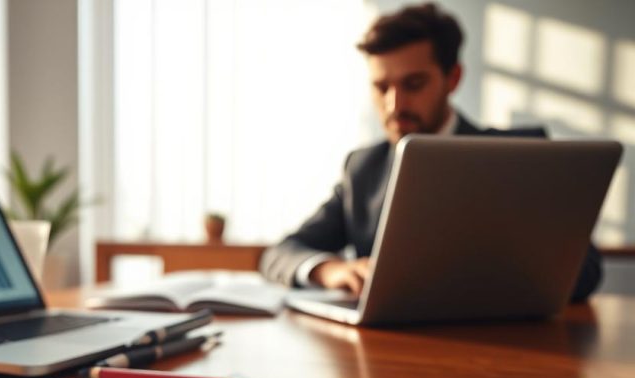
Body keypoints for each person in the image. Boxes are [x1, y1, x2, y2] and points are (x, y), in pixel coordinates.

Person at [258, 2, 602, 302]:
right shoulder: (363, 168)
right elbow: (281, 253)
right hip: (390, 356)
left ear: (452, 78)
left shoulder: (522, 157)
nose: (395, 105)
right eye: (381, 88)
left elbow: (585, 270)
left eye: (414, 84)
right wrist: (328, 269)